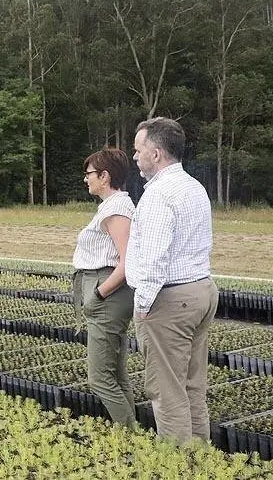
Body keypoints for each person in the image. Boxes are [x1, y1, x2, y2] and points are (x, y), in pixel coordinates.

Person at [126, 117, 218, 445]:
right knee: (193, 385)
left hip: (170, 300)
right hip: (201, 291)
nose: (134, 156)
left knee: (167, 390)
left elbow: (154, 260)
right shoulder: (193, 187)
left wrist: (141, 307)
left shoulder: (159, 196)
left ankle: (178, 464)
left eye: (139, 150)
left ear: (157, 153)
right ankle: (200, 458)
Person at [72, 148, 136, 426]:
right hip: (106, 293)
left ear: (104, 176)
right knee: (116, 375)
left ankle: (130, 434)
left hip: (108, 295)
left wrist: (99, 293)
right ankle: (132, 434)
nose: (86, 179)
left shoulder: (118, 209)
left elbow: (127, 261)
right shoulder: (112, 206)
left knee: (99, 378)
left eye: (89, 174)